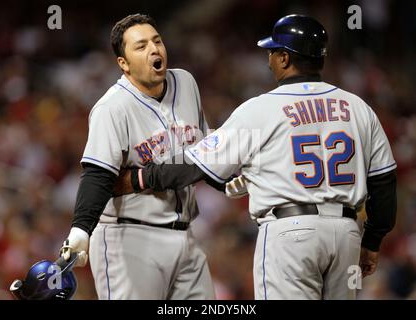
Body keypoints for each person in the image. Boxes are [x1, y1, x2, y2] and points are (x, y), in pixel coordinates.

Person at [114, 14, 397, 299]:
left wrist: (138, 179)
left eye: (272, 52)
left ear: (285, 58)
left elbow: (193, 166)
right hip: (346, 235)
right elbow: (384, 183)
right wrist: (372, 242)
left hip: (290, 233)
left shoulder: (261, 109)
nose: (268, 59)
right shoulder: (358, 107)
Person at [59, 13, 226, 299]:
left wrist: (227, 179)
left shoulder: (185, 83)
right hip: (131, 240)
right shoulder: (111, 108)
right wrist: (80, 230)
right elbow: (98, 175)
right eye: (140, 46)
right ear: (123, 64)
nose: (154, 49)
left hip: (186, 234)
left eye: (157, 41)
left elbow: (203, 149)